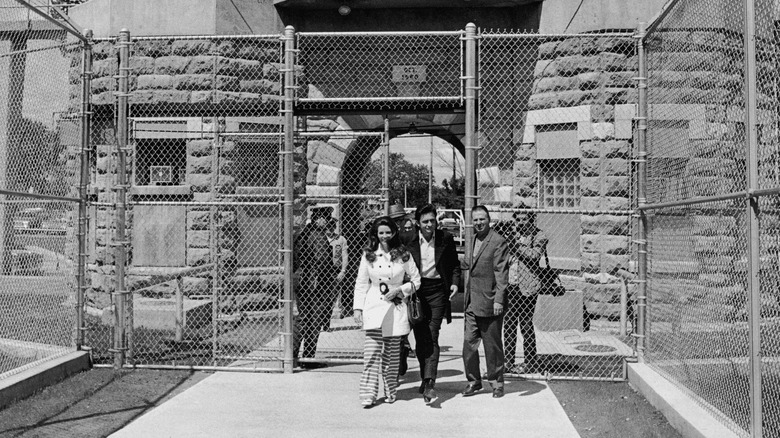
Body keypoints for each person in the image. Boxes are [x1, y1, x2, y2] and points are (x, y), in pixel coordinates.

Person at [354, 216, 421, 408]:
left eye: (388, 232)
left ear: (394, 233)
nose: (384, 236)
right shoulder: (368, 255)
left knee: (391, 356)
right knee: (371, 353)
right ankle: (368, 394)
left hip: (396, 307)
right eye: (380, 232)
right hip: (374, 308)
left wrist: (401, 290)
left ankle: (391, 390)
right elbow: (361, 283)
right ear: (376, 234)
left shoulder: (403, 254)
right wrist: (358, 308)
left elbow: (416, 280)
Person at [401, 204, 461, 404]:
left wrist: (454, 284)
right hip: (417, 291)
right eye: (425, 221)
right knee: (420, 337)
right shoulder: (408, 241)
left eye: (432, 221)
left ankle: (429, 383)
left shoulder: (445, 238)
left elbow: (454, 265)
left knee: (432, 335)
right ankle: (424, 375)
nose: (429, 225)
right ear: (418, 223)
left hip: (437, 291)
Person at [460, 205, 509, 398]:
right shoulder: (472, 240)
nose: (479, 223)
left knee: (492, 346)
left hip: (490, 303)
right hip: (472, 302)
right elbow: (469, 264)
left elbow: (501, 273)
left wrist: (499, 300)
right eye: (476, 220)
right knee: (468, 344)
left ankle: (497, 383)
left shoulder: (498, 241)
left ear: (489, 220)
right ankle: (474, 381)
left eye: (482, 219)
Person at [503, 208, 548, 375]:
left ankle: (530, 361)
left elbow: (534, 255)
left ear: (531, 219)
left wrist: (516, 246)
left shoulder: (539, 235)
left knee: (526, 324)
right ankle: (508, 360)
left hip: (528, 287)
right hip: (511, 284)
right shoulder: (512, 235)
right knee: (509, 324)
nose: (521, 223)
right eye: (518, 219)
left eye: (524, 219)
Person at [293, 206, 335, 369]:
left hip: (301, 278)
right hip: (315, 282)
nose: (327, 223)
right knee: (314, 319)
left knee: (303, 317)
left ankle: (293, 355)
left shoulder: (301, 234)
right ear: (320, 218)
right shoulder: (318, 236)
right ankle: (308, 357)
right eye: (326, 219)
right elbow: (323, 260)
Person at [326, 218, 349, 320]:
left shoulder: (341, 239)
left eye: (332, 226)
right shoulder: (320, 238)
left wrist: (343, 271)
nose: (330, 229)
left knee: (333, 295)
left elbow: (344, 256)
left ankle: (326, 320)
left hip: (335, 270)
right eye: (328, 226)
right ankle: (320, 319)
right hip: (322, 270)